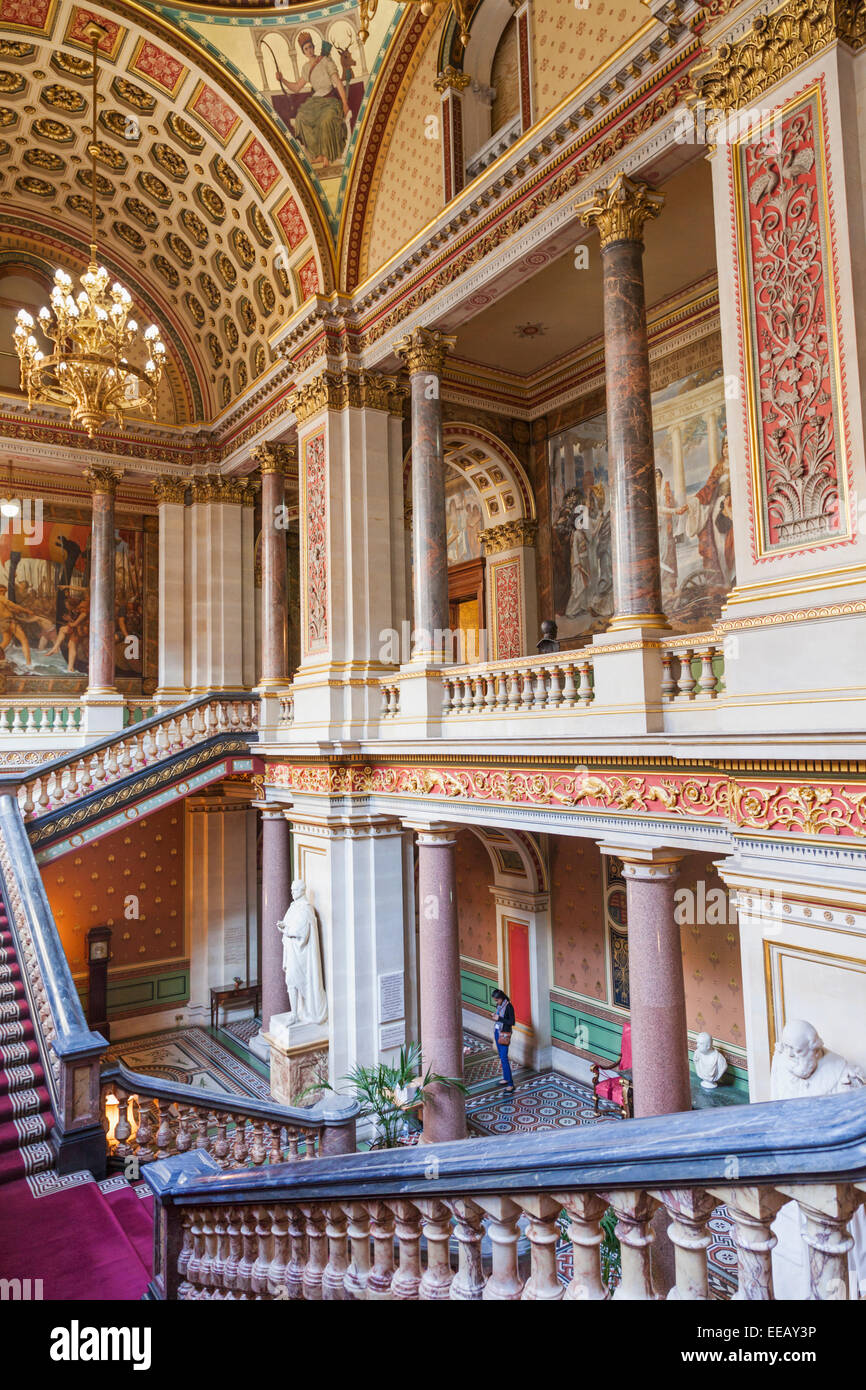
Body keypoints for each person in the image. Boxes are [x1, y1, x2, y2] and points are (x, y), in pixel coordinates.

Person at [278, 33, 350, 170]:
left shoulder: (325, 61)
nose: (309, 50)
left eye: (310, 47)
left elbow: (338, 83)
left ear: (313, 46)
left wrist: (345, 104)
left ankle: (327, 156)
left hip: (330, 100)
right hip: (315, 102)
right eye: (306, 49)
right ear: (303, 52)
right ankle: (317, 154)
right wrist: (282, 79)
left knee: (325, 121)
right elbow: (296, 87)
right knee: (301, 119)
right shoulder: (306, 68)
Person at [491, 988, 515, 1093]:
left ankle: (511, 1084)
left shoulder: (509, 1006)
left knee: (504, 1058)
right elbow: (500, 1016)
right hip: (497, 1032)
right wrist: (495, 1016)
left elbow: (512, 1021)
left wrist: (499, 1018)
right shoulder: (499, 1005)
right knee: (501, 1056)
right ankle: (505, 1078)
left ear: (501, 998)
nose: (496, 1002)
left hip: (504, 1034)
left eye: (497, 1000)